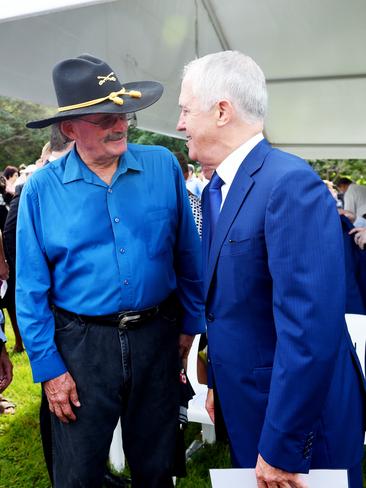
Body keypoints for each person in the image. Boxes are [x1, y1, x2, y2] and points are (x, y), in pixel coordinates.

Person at [176, 50, 365, 488]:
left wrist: (282, 445)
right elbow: (232, 305)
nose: (181, 123)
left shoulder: (288, 183)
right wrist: (222, 384)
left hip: (299, 428)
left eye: (186, 110)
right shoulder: (215, 192)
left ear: (221, 111)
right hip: (250, 409)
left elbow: (309, 331)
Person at [16, 54, 204, 488]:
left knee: (157, 467)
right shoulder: (42, 189)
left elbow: (187, 255)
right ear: (69, 128)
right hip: (81, 347)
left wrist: (189, 324)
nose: (118, 125)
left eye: (123, 114)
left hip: (156, 337)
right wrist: (49, 369)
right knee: (79, 472)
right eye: (103, 118)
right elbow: (29, 288)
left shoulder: (161, 165)